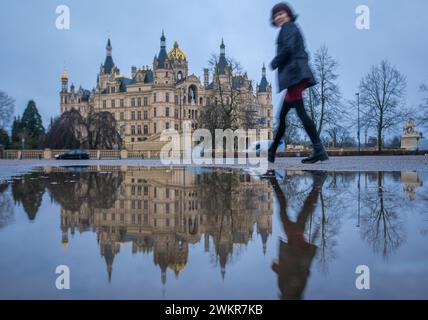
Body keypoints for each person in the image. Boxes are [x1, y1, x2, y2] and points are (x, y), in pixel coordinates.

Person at [268, 2, 328, 164]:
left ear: (288, 14)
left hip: (294, 76)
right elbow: (303, 52)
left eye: (281, 14)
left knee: (301, 113)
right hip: (295, 76)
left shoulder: (289, 27)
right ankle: (272, 151)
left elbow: (287, 49)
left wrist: (275, 62)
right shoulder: (292, 28)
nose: (278, 17)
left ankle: (319, 149)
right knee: (282, 116)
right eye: (275, 15)